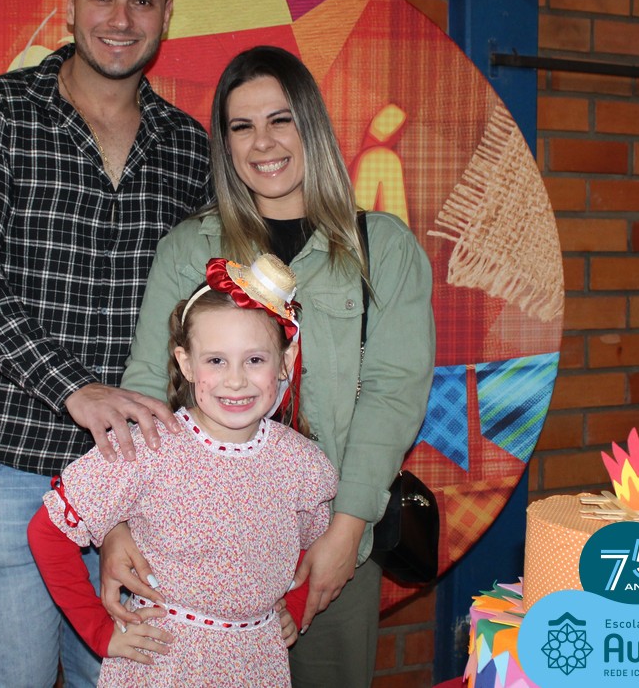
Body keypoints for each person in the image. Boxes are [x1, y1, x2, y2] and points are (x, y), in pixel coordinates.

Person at [0, 0, 211, 688]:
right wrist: (73, 387)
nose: (121, 18)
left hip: (136, 479)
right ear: (71, 6)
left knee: (122, 680)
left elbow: (210, 301)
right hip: (9, 465)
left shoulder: (190, 147)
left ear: (166, 15)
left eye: (142, 1)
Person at [107, 45, 436, 686]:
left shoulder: (383, 248)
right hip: (194, 549)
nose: (263, 142)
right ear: (225, 143)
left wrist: (346, 532)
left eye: (280, 119)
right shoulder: (190, 247)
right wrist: (119, 521)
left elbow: (393, 396)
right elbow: (146, 388)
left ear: (311, 125)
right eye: (242, 126)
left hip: (329, 541)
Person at [28, 255, 338, 687]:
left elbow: (308, 544)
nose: (236, 380)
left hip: (257, 664)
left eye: (255, 360)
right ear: (186, 362)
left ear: (286, 360)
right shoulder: (148, 447)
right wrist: (99, 633)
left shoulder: (302, 464)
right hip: (163, 662)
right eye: (216, 361)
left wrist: (296, 603)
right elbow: (48, 533)